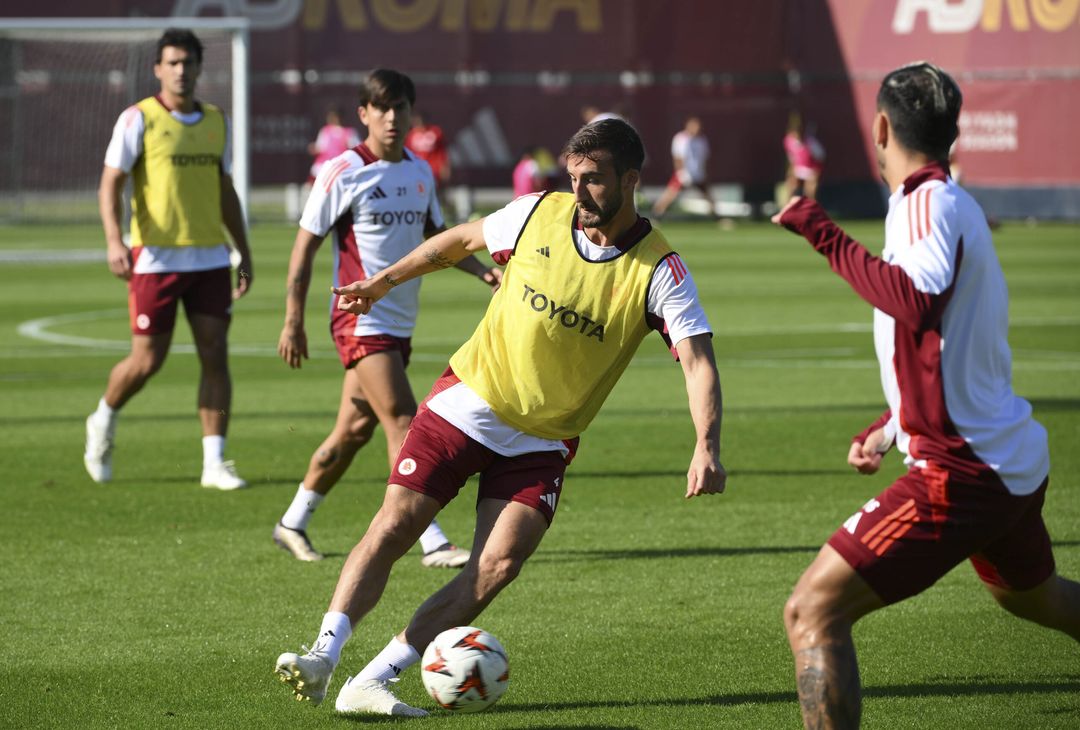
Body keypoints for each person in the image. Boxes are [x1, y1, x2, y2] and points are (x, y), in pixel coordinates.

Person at [273, 118, 727, 716]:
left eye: (593, 180)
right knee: (396, 525)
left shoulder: (659, 270)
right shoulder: (537, 213)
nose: (579, 191)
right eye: (573, 177)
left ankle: (373, 681)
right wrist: (383, 282)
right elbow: (457, 241)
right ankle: (323, 656)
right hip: (468, 401)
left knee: (497, 566)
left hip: (542, 439)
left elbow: (697, 362)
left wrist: (707, 444)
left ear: (631, 180)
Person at [772, 62, 1080, 729]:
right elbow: (951, 344)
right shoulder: (953, 203)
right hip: (1005, 461)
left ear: (881, 127)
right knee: (1037, 601)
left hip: (962, 474)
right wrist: (890, 427)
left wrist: (818, 230)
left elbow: (914, 301)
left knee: (811, 610)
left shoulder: (926, 201)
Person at [273, 69, 502, 565]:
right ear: (364, 114)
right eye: (382, 107)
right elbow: (303, 248)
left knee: (353, 433)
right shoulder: (343, 170)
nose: (393, 117)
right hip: (359, 319)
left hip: (399, 323)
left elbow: (440, 242)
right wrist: (293, 319)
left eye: (401, 107)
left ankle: (293, 521)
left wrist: (484, 274)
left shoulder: (419, 171)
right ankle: (432, 539)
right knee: (403, 418)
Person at [85, 28, 254, 490]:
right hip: (155, 259)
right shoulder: (138, 119)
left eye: (188, 62)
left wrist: (243, 252)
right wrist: (115, 240)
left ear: (200, 67)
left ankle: (214, 462)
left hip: (209, 260)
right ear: (158, 68)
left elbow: (225, 192)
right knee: (146, 362)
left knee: (215, 355)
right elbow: (110, 184)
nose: (181, 70)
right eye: (172, 62)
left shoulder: (217, 121)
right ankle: (103, 418)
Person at [651, 116, 719, 220]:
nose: (695, 129)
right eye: (693, 126)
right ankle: (656, 215)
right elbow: (678, 157)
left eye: (697, 126)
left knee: (708, 195)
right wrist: (681, 173)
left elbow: (704, 158)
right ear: (688, 126)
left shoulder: (702, 140)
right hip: (684, 174)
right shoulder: (680, 138)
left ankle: (718, 218)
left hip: (698, 174)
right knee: (670, 194)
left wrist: (703, 173)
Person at [404, 110, 452, 218]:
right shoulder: (411, 135)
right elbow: (408, 153)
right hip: (417, 171)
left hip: (433, 170)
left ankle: (447, 214)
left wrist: (444, 167)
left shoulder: (435, 132)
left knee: (437, 194)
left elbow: (442, 151)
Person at [307, 108, 360, 182]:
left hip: (340, 170)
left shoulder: (350, 132)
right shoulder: (325, 130)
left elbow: (357, 150)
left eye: (334, 116)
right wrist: (314, 148)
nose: (331, 119)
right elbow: (320, 147)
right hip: (322, 168)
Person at [782, 112, 825, 200]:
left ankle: (810, 207)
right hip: (798, 169)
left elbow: (821, 156)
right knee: (790, 185)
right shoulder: (788, 141)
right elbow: (791, 157)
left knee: (810, 190)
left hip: (810, 170)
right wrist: (791, 170)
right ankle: (790, 208)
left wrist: (816, 171)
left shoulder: (810, 142)